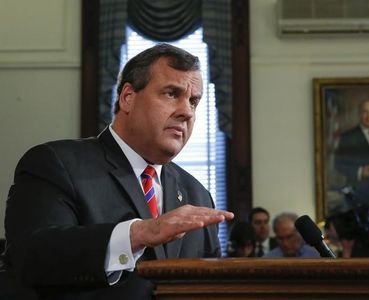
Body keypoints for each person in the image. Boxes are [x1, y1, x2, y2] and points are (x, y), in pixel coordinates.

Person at [4, 44, 234, 300]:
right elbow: (32, 257)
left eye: (193, 101)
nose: (187, 112)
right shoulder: (57, 163)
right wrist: (137, 234)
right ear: (127, 97)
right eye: (171, 94)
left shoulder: (197, 195)